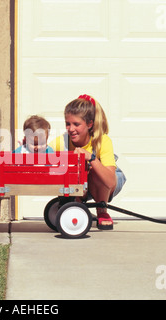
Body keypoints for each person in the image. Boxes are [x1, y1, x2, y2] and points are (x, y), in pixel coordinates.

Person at [48, 94, 126, 230]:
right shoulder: (61, 142)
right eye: (68, 124)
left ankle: (102, 211)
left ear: (90, 124)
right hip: (82, 185)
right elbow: (43, 159)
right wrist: (31, 147)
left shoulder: (102, 141)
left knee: (93, 169)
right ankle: (77, 204)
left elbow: (110, 182)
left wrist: (91, 158)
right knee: (68, 168)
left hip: (107, 183)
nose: (71, 129)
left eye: (76, 124)